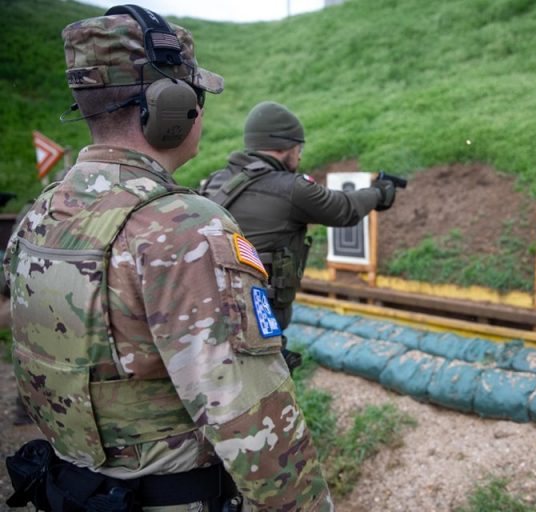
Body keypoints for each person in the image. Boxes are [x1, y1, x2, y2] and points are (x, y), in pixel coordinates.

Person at [3, 5, 331, 511]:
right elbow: (254, 419)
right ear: (171, 107)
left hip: (77, 493)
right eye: (195, 95)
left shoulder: (41, 212)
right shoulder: (184, 226)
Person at [200, 101, 397, 369]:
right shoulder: (292, 188)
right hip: (260, 327)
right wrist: (380, 193)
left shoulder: (214, 182)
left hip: (209, 317)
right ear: (283, 146)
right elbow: (343, 209)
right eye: (298, 148)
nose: (300, 156)